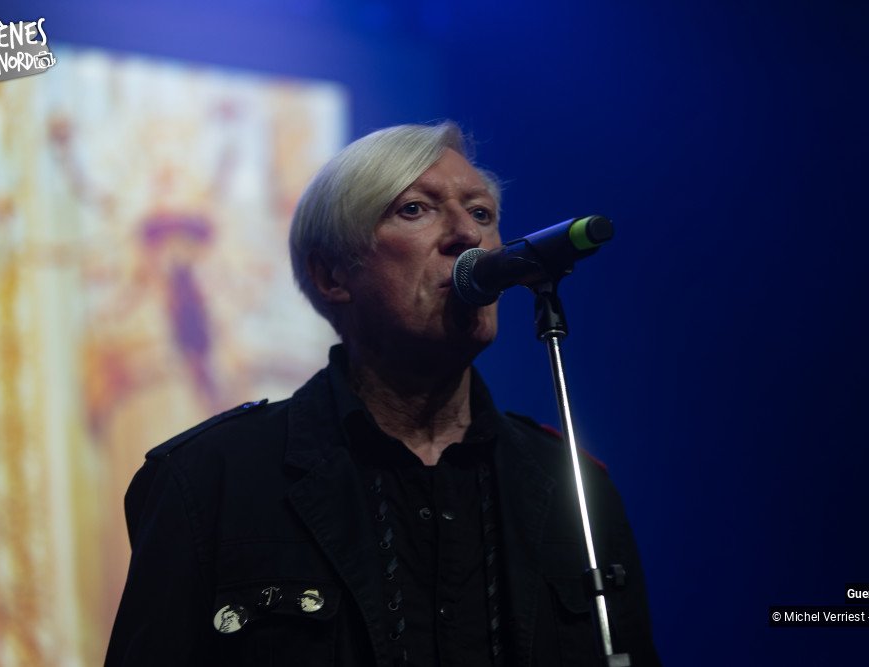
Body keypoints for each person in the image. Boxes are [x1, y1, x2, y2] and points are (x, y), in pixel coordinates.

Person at [105, 122, 660, 666]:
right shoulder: (207, 480)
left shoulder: (575, 490)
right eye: (415, 208)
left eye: (482, 213)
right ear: (332, 277)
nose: (467, 235)